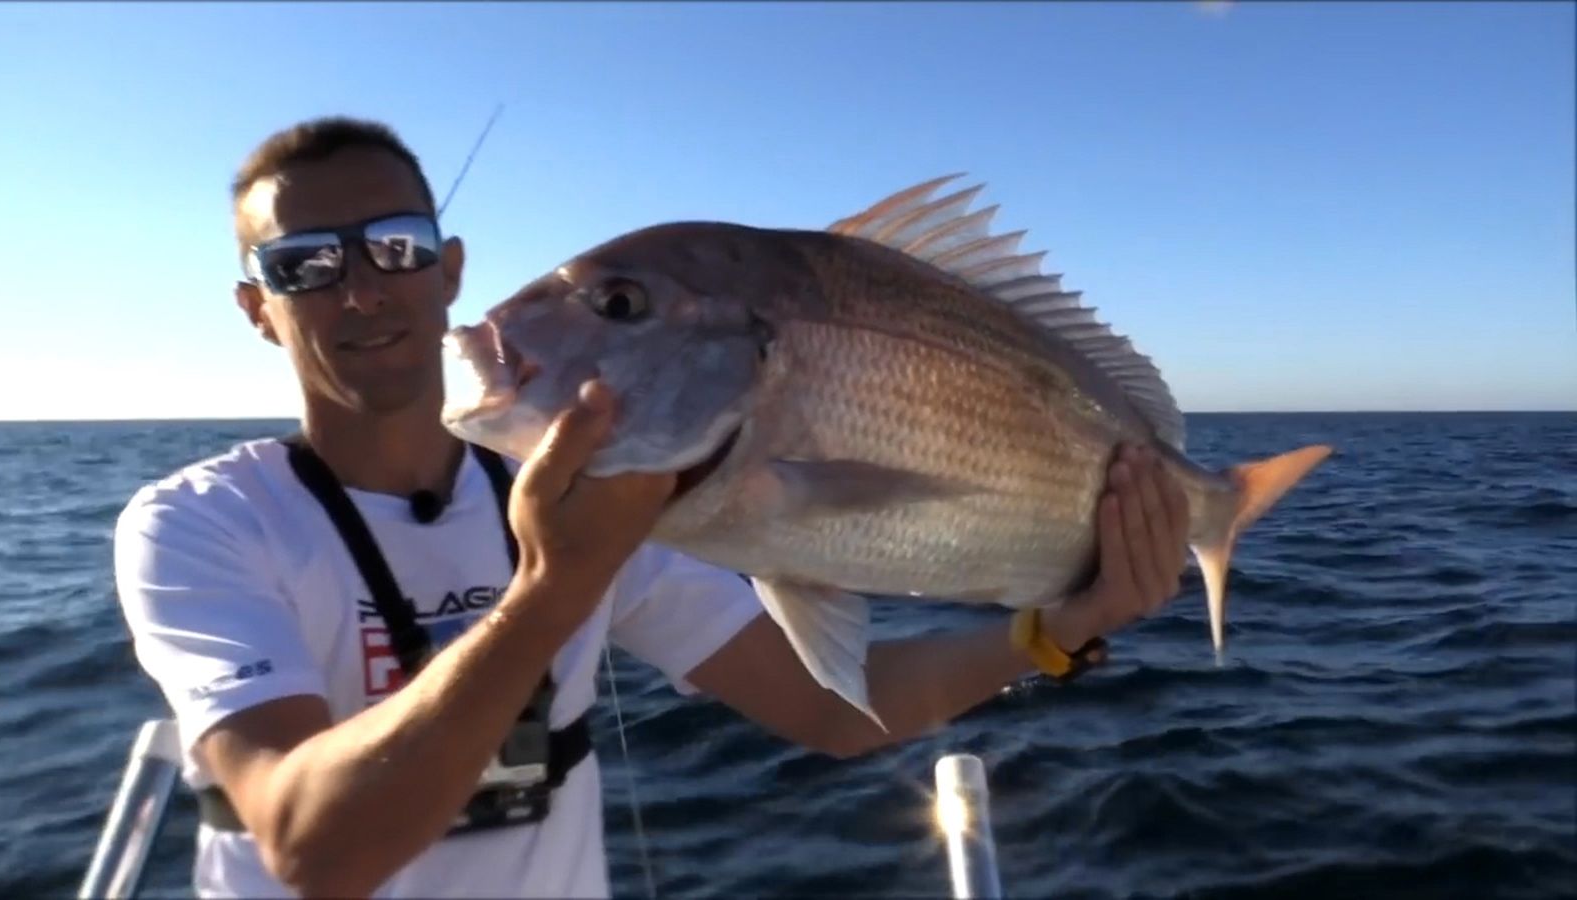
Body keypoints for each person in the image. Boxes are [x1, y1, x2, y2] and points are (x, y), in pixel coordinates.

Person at [112, 115, 1193, 899]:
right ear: (259, 310)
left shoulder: (608, 507)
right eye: (304, 266)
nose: (359, 290)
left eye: (393, 249)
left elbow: (835, 712)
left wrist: (1061, 630)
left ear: (449, 275)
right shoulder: (200, 526)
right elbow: (314, 850)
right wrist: (551, 588)